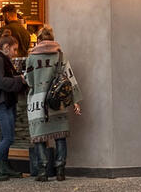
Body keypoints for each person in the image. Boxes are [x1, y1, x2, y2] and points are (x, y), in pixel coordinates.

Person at [25, 25, 82, 182]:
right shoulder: (60, 56)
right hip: (57, 102)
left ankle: (42, 171)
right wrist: (75, 101)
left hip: (38, 102)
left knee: (39, 137)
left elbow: (29, 80)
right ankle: (60, 171)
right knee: (60, 135)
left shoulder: (31, 58)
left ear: (39, 39)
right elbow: (70, 78)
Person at [0, 33, 28, 181]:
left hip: (8, 102)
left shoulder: (4, 60)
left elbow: (7, 79)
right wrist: (19, 80)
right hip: (3, 103)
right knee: (8, 138)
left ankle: (4, 166)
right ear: (6, 47)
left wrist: (19, 79)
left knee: (5, 136)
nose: (15, 53)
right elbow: (0, 81)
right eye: (14, 49)